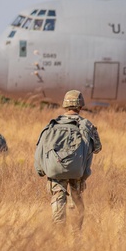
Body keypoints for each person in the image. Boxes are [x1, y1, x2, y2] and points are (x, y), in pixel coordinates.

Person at [34, 90, 102, 228]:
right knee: (76, 196)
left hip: (55, 170)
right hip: (78, 171)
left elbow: (40, 149)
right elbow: (98, 148)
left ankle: (59, 228)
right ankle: (76, 231)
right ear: (80, 106)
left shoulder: (52, 125)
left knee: (58, 195)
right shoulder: (86, 125)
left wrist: (40, 170)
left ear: (65, 105)